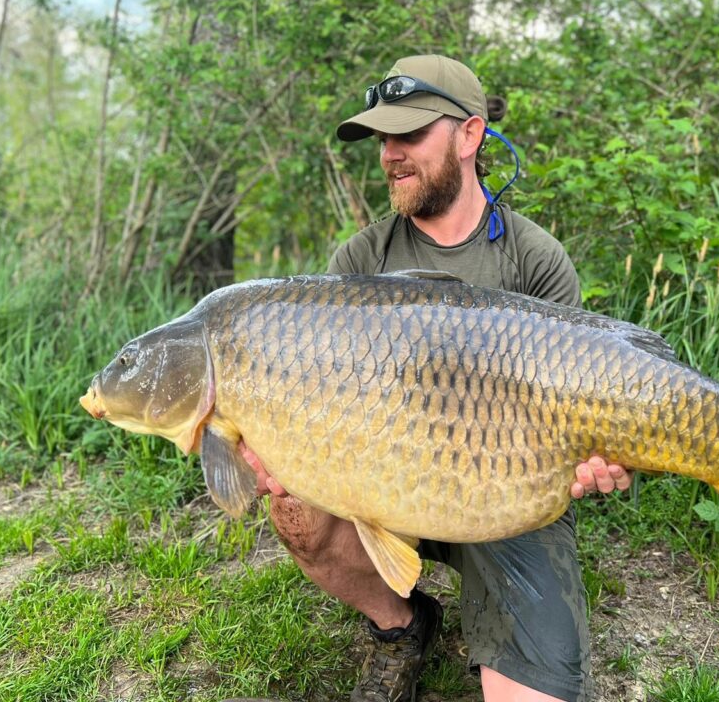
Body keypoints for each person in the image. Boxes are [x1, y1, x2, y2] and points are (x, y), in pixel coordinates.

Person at [236, 55, 631, 702]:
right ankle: (402, 626)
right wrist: (289, 449)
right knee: (297, 507)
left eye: (409, 135)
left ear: (470, 135)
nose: (390, 154)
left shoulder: (534, 257)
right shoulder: (361, 260)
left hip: (510, 498)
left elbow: (583, 398)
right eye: (383, 139)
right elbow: (331, 393)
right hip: (388, 477)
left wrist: (600, 456)